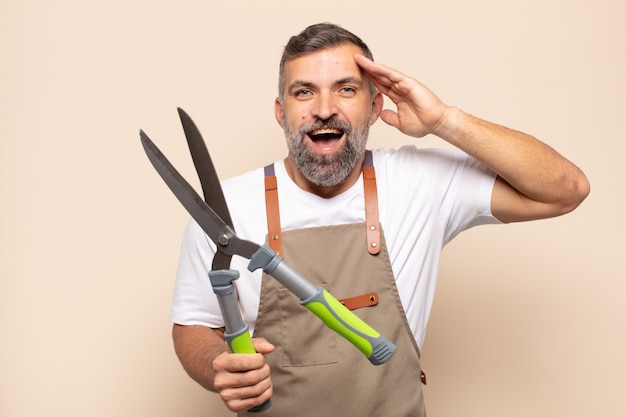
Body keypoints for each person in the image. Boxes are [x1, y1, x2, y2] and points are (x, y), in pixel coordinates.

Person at [170, 23, 589, 416]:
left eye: (346, 89)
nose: (324, 109)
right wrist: (218, 365)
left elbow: (565, 189)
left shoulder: (419, 181)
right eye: (304, 92)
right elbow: (193, 324)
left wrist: (444, 120)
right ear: (281, 112)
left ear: (374, 107)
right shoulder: (224, 209)